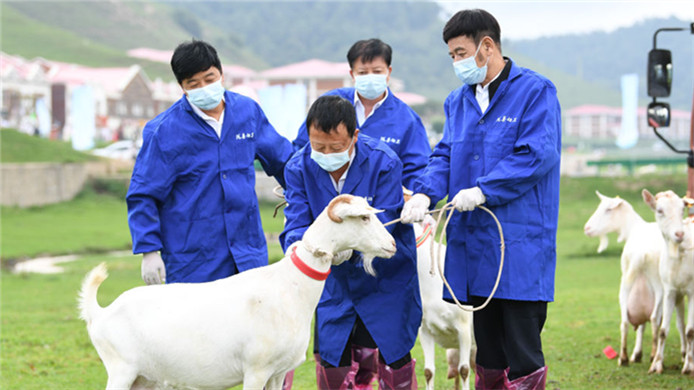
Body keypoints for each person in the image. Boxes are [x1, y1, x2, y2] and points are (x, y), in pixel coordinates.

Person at [400, 9, 561, 390]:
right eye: (452, 56)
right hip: (474, 248)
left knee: (523, 351)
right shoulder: (457, 102)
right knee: (486, 351)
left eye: (460, 53)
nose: (456, 62)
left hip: (519, 245)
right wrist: (424, 191)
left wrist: (484, 189)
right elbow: (444, 155)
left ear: (486, 46)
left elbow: (537, 154)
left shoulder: (535, 91)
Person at [281, 95, 421, 390]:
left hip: (384, 276)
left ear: (354, 137)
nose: (326, 154)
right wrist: (300, 251)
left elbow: (383, 224)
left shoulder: (383, 161)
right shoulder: (298, 168)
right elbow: (296, 223)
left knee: (393, 356)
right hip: (332, 280)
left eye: (335, 147)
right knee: (334, 358)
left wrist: (350, 244)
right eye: (318, 147)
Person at [127, 40, 294, 285]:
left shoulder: (247, 113)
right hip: (193, 260)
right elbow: (144, 194)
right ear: (182, 87)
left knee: (251, 321)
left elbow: (286, 163)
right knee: (196, 323)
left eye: (209, 78)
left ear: (221, 74)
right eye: (193, 84)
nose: (204, 88)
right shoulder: (163, 132)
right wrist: (149, 250)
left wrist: (310, 204)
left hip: (248, 254)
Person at [293, 38, 430, 191]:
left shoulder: (407, 119)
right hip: (326, 198)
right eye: (363, 72)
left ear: (388, 72)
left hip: (382, 205)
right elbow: (301, 151)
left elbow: (418, 170)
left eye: (377, 71)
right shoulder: (330, 104)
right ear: (352, 74)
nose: (370, 77)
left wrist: (410, 198)